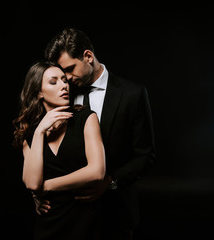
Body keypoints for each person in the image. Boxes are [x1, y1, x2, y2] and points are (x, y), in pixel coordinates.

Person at [36, 27, 156, 239]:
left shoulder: (132, 94)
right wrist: (39, 190)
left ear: (88, 56)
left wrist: (110, 183)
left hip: (116, 214)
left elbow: (145, 156)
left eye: (70, 69)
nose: (67, 78)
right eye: (62, 73)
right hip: (69, 217)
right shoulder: (62, 95)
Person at [12, 60, 106, 240]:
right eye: (53, 82)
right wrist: (40, 131)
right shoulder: (30, 134)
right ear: (39, 92)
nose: (64, 85)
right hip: (50, 223)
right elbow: (32, 183)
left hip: (86, 221)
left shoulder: (85, 118)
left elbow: (97, 171)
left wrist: (47, 186)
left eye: (64, 80)